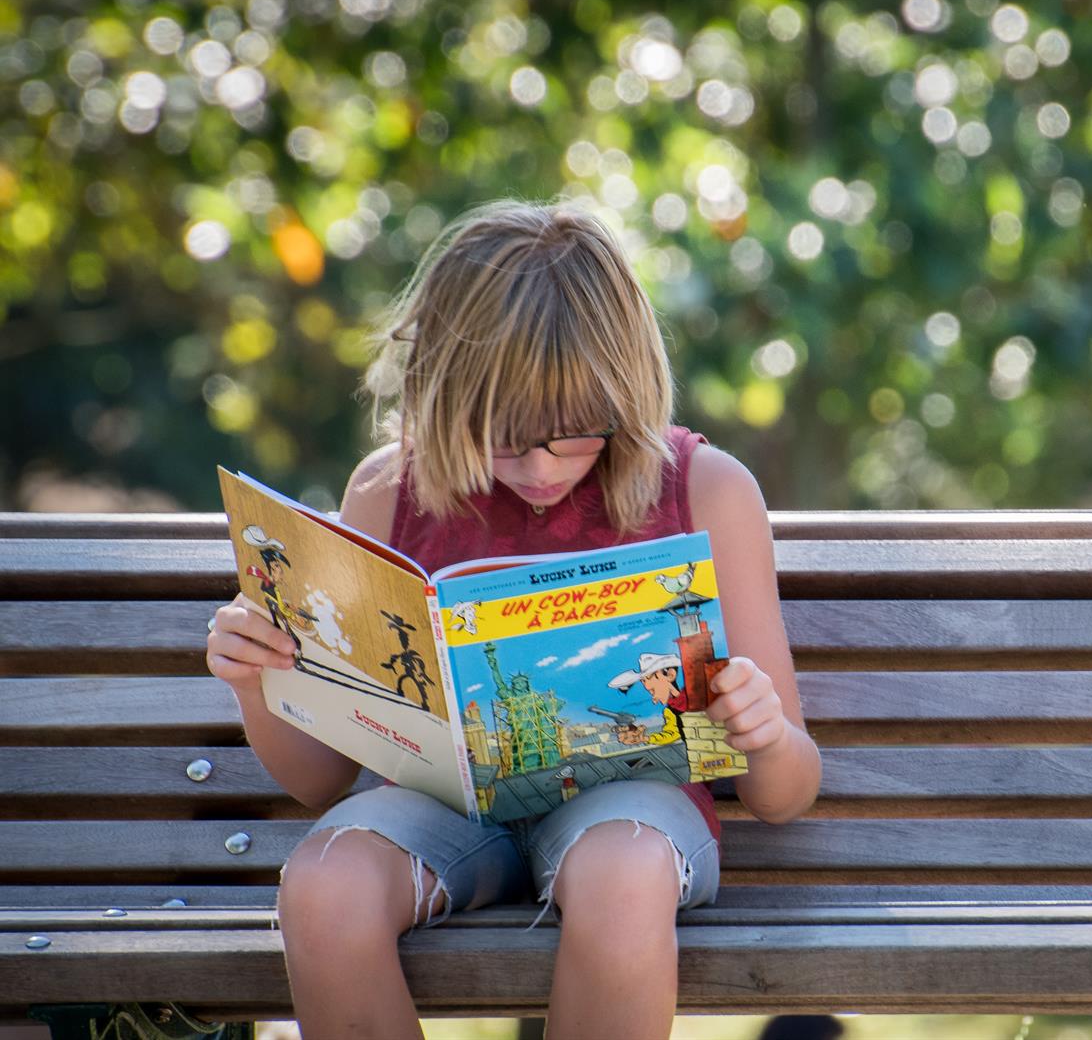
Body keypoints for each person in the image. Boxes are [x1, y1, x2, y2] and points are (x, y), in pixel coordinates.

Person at [205, 200, 822, 1040]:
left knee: (622, 870)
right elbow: (320, 781)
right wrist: (257, 678)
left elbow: (787, 792)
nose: (538, 467)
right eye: (502, 437)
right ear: (442, 395)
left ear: (627, 391)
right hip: (439, 809)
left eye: (572, 437)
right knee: (324, 882)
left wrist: (762, 732)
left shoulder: (703, 490)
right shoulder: (390, 493)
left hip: (630, 814)